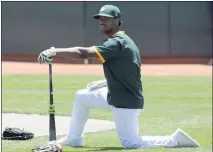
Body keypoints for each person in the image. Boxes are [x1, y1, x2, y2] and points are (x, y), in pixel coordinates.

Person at [38, 4, 200, 150]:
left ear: (117, 20)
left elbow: (83, 53)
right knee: (82, 97)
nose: (102, 21)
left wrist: (55, 51)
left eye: (106, 18)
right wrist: (105, 83)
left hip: (125, 101)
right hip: (114, 94)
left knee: (132, 143)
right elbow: (128, 70)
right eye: (100, 18)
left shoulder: (117, 43)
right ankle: (74, 138)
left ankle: (174, 139)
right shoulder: (124, 41)